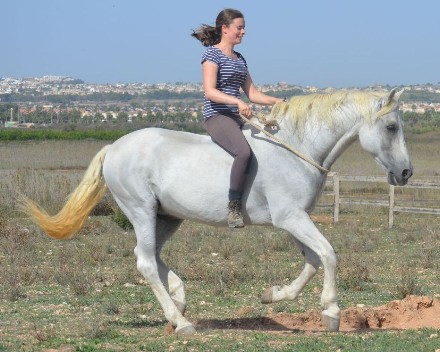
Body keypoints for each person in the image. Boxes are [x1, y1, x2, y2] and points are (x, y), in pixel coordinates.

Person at [192, 8, 284, 228]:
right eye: (239, 28)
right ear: (225, 29)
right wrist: (237, 102)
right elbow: (210, 91)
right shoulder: (211, 55)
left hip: (236, 116)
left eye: (244, 28)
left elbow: (253, 94)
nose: (243, 32)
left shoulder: (240, 59)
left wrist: (279, 102)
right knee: (243, 153)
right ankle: (233, 208)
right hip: (217, 115)